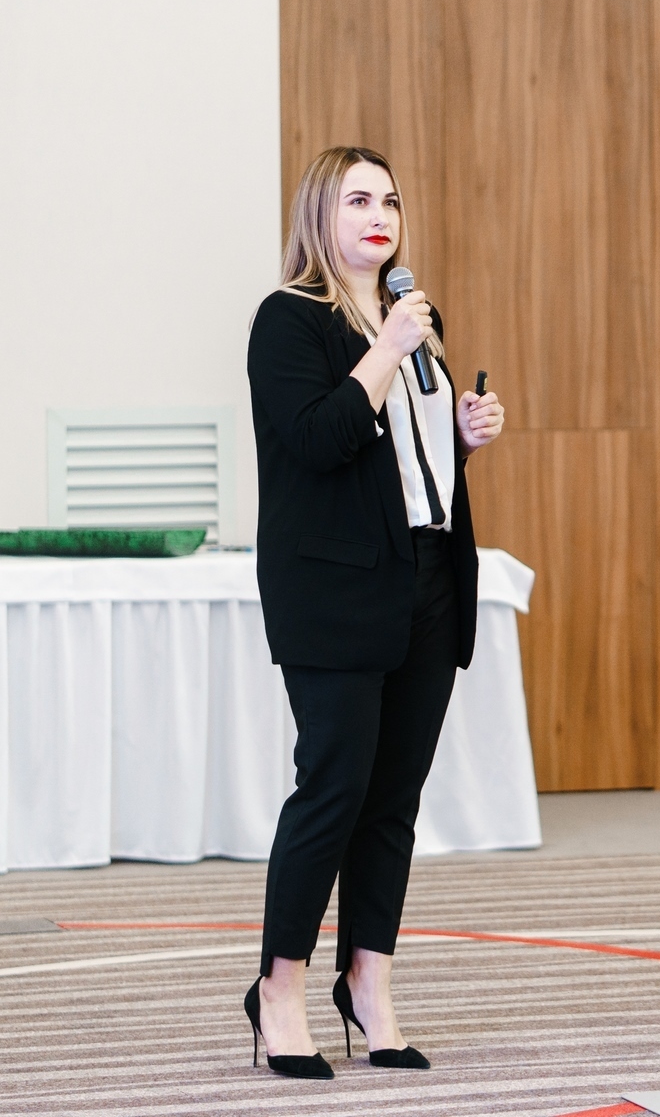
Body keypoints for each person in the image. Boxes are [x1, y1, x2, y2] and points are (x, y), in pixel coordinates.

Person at [242, 145, 504, 1077]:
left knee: (393, 802)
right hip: (335, 591)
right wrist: (387, 349)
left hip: (426, 573)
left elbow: (398, 463)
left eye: (388, 200)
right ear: (321, 215)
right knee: (334, 790)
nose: (378, 215)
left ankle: (368, 981)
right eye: (357, 200)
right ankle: (279, 988)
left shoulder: (414, 316)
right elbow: (317, 444)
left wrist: (459, 441)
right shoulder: (289, 320)